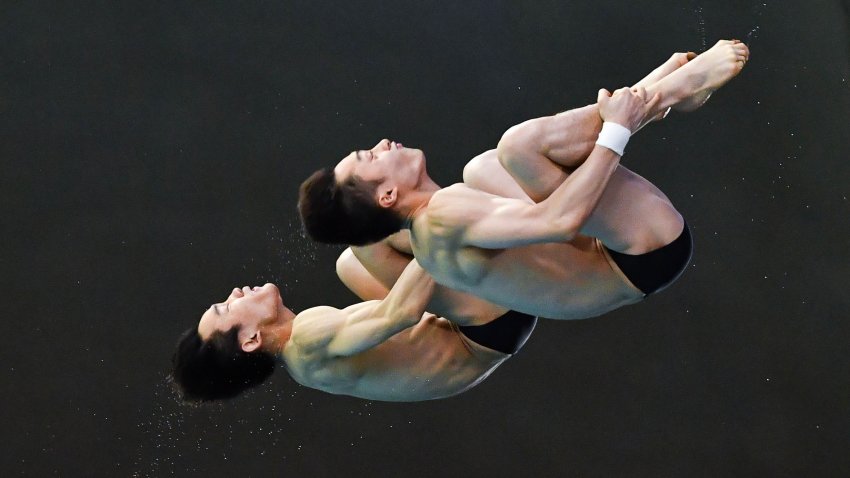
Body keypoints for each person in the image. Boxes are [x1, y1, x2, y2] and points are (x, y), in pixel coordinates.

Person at [298, 40, 749, 320]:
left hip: (602, 256)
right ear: (388, 194)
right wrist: (617, 130)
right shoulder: (444, 218)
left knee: (486, 165)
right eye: (368, 157)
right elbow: (560, 220)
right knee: (518, 146)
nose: (380, 143)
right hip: (641, 255)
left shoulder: (436, 222)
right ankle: (667, 92)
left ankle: (660, 94)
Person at [171, 235, 537, 403]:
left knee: (349, 262)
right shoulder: (308, 336)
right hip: (490, 324)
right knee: (371, 241)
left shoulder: (302, 363)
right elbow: (402, 312)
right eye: (225, 307)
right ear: (250, 340)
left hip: (479, 335)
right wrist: (435, 237)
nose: (234, 293)